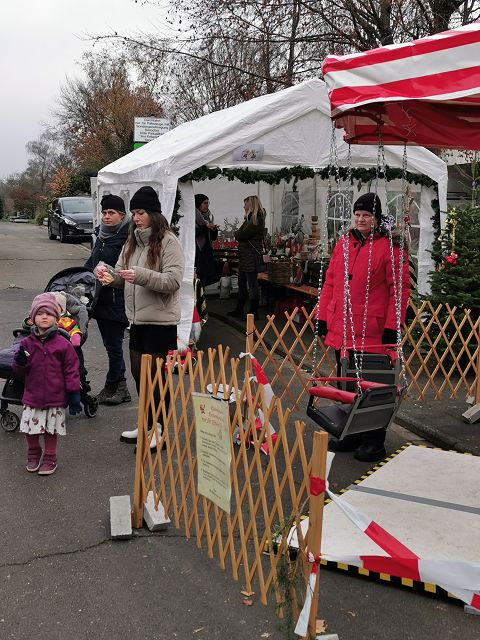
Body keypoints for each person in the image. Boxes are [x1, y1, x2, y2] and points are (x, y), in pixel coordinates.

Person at [317, 192, 410, 462]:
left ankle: (373, 441)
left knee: (372, 387)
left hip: (372, 332)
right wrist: (323, 317)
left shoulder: (390, 248)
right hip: (342, 330)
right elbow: (331, 282)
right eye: (357, 215)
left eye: (366, 215)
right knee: (347, 383)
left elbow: (399, 290)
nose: (360, 219)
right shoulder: (344, 243)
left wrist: (393, 326)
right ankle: (351, 433)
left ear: (377, 218)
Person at [95, 186, 184, 450]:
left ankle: (159, 430)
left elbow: (173, 281)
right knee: (139, 376)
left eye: (141, 212)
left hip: (160, 322)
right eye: (134, 213)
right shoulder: (132, 241)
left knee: (156, 380)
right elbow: (122, 275)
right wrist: (108, 276)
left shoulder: (169, 241)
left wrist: (140, 275)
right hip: (137, 320)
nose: (136, 217)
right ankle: (146, 424)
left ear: (154, 214)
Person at [13, 293, 81, 475]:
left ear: (56, 318)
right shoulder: (26, 343)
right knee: (30, 429)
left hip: (54, 397)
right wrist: (19, 363)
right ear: (32, 317)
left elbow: (71, 370)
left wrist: (74, 393)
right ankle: (34, 452)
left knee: (50, 431)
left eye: (49, 314)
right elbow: (19, 372)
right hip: (32, 396)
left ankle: (50, 457)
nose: (44, 317)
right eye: (40, 313)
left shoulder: (63, 344)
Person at [85, 194, 131, 405]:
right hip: (100, 299)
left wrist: (108, 273)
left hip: (116, 300)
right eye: (104, 212)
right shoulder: (101, 235)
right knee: (110, 345)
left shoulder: (128, 239)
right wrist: (82, 274)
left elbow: (128, 270)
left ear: (122, 215)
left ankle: (113, 386)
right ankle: (119, 387)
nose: (106, 217)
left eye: (111, 213)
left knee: (113, 346)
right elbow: (92, 262)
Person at [227, 195, 266, 320]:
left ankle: (253, 313)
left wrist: (237, 234)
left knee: (252, 284)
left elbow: (241, 234)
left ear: (251, 204)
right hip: (245, 256)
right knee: (242, 283)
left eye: (246, 204)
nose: (244, 206)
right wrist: (238, 233)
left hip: (251, 256)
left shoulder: (256, 219)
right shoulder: (251, 218)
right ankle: (240, 309)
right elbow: (240, 233)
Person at [194, 193, 218, 288]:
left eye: (208, 203)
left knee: (205, 279)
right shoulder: (192, 217)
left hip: (207, 253)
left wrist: (214, 230)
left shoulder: (208, 218)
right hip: (197, 253)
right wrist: (206, 227)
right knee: (199, 279)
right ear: (198, 204)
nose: (207, 205)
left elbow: (213, 238)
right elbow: (192, 233)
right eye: (205, 203)